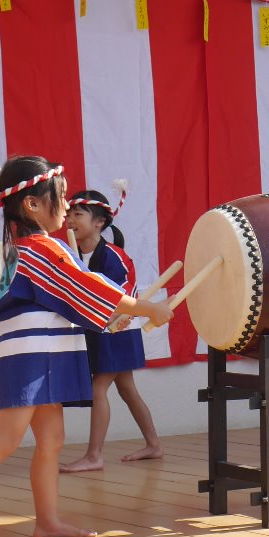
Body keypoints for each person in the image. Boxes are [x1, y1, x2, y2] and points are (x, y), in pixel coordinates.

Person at [0, 150, 173, 537]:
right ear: (32, 204)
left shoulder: (33, 248)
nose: (66, 206)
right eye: (60, 197)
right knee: (6, 439)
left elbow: (74, 298)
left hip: (40, 347)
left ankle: (47, 520)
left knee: (52, 438)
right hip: (26, 350)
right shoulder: (41, 248)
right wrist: (147, 307)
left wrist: (116, 316)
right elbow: (86, 287)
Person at [62, 183, 163, 471]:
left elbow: (125, 290)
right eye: (69, 214)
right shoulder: (72, 254)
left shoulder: (114, 255)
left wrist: (107, 314)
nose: (70, 220)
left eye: (78, 214)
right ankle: (154, 444)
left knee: (98, 388)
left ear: (99, 222)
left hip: (117, 329)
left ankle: (94, 456)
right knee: (127, 389)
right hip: (99, 328)